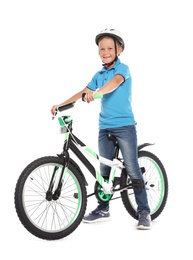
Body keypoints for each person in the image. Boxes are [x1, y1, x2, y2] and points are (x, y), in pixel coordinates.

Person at [51, 28, 151, 230]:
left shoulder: (122, 70)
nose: (105, 52)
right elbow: (83, 92)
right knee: (103, 170)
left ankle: (144, 211)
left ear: (119, 49)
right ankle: (103, 208)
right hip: (104, 127)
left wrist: (98, 93)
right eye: (101, 49)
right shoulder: (99, 74)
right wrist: (60, 105)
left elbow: (113, 85)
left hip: (124, 126)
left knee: (132, 168)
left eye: (109, 48)